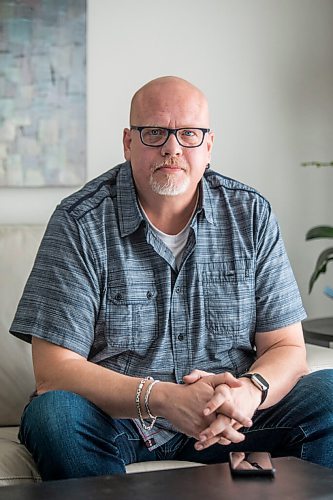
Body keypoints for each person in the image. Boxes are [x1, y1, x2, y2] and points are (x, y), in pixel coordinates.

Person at [10, 76, 333, 480]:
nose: (172, 147)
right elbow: (54, 369)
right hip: (121, 422)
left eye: (189, 133)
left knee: (330, 393)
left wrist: (250, 392)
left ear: (208, 145)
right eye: (155, 132)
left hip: (234, 419)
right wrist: (163, 398)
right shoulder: (80, 222)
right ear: (128, 142)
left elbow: (287, 346)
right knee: (54, 414)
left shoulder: (250, 214)